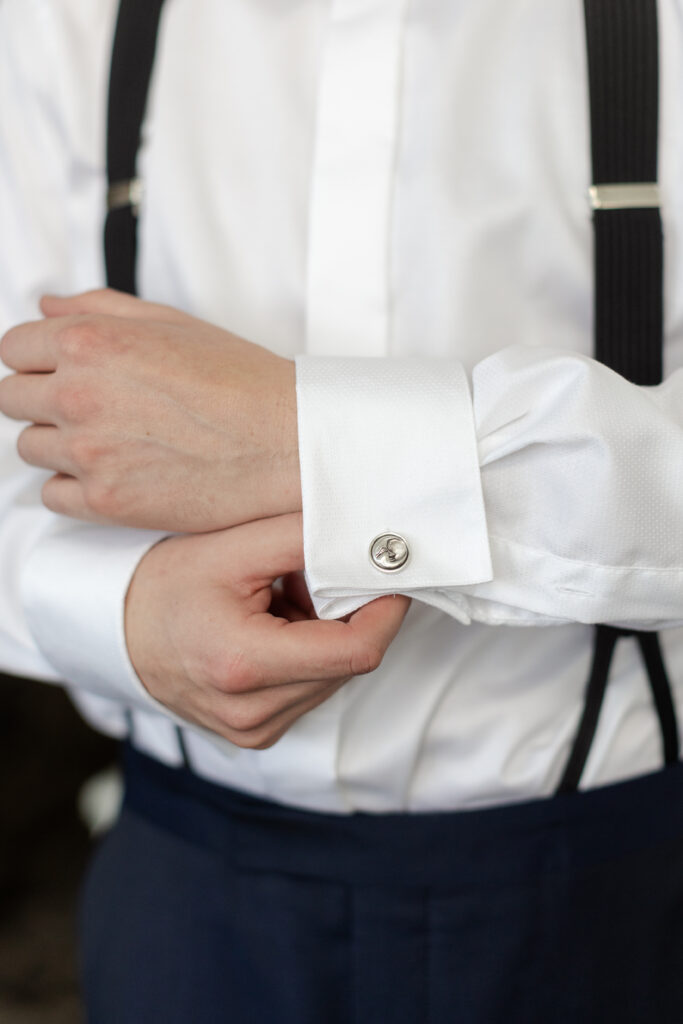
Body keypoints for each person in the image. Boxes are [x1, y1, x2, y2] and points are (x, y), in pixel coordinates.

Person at [0, 0, 682, 1021]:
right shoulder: (58, 18)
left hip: (622, 894)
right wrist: (119, 608)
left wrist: (302, 437)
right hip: (183, 898)